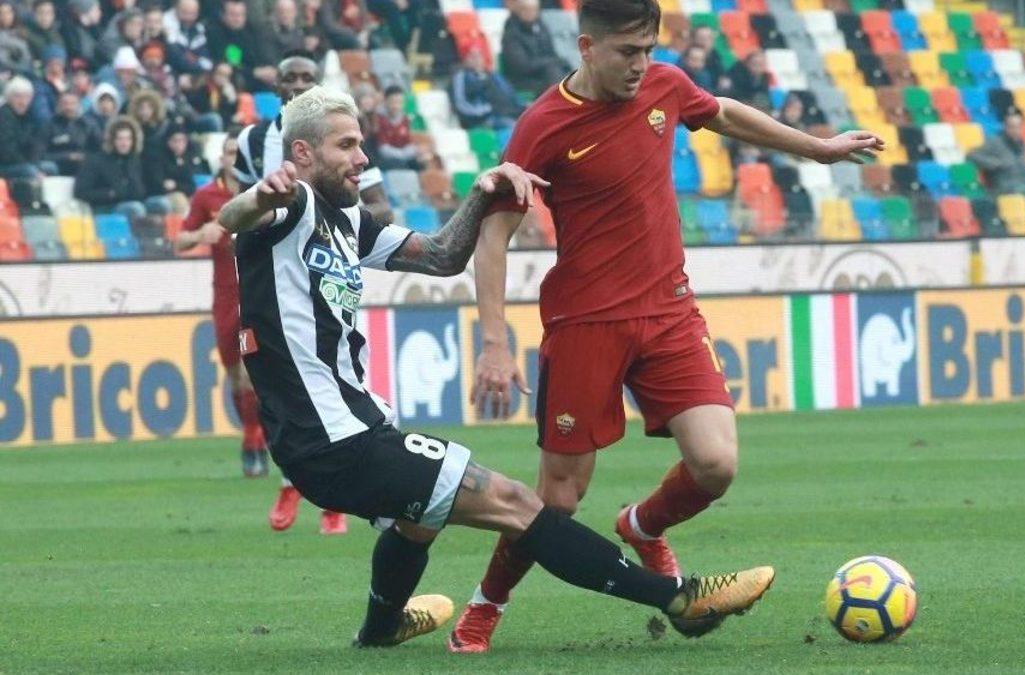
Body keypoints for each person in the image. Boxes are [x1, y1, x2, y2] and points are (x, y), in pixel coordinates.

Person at [217, 84, 775, 647]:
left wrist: (483, 191)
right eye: (346, 145)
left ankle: (381, 630)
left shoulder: (345, 220)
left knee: (419, 518)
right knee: (515, 504)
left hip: (348, 429)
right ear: (303, 153)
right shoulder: (288, 207)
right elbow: (234, 216)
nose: (362, 158)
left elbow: (442, 256)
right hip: (331, 438)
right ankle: (680, 598)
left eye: (360, 144)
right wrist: (260, 194)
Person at [449, 0, 881, 652]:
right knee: (557, 501)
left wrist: (817, 149)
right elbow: (494, 235)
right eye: (628, 52)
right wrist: (492, 342)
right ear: (588, 47)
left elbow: (724, 112)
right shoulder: (543, 124)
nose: (641, 65)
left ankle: (644, 525)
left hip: (669, 309)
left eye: (648, 50)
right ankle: (486, 605)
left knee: (715, 463)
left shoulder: (664, 85)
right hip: (585, 321)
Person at [231, 53, 389, 535]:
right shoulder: (253, 140)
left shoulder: (339, 139)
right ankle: (291, 480)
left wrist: (359, 229)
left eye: (307, 77)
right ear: (276, 87)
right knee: (263, 377)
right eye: (290, 78)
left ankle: (330, 502)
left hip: (324, 267)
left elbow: (374, 199)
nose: (298, 84)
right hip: (271, 271)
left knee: (329, 368)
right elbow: (238, 207)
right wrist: (260, 204)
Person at [176, 134, 269, 477]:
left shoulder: (262, 192)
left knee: (249, 373)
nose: (234, 158)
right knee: (233, 375)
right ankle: (255, 436)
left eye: (239, 153)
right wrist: (201, 234)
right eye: (230, 152)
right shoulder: (206, 196)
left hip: (257, 293)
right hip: (225, 295)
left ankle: (252, 440)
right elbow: (180, 240)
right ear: (222, 157)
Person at [74, 115, 159, 219]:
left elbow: (145, 188)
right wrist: (111, 193)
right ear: (112, 140)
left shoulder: (136, 160)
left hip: (134, 202)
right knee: (135, 208)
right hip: (106, 207)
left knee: (160, 203)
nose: (124, 143)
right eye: (120, 139)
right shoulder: (96, 161)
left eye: (128, 139)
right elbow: (80, 192)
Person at [501, 0, 570, 93]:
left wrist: (557, 62)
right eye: (526, 10)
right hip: (524, 79)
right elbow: (521, 66)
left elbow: (551, 53)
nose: (531, 13)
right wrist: (549, 62)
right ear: (518, 10)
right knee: (553, 71)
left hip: (544, 73)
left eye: (534, 10)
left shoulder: (541, 27)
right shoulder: (511, 33)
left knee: (566, 71)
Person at [450, 47, 526, 130]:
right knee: (514, 127)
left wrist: (523, 107)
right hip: (485, 119)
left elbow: (510, 94)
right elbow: (461, 105)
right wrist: (488, 109)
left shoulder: (493, 75)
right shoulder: (461, 77)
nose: (477, 60)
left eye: (479, 56)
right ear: (465, 59)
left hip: (508, 112)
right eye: (472, 57)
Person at [0, 77, 54, 181]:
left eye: (27, 97)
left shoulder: (28, 116)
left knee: (51, 167)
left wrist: (34, 162)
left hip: (24, 162)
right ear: (8, 98)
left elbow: (35, 144)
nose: (23, 101)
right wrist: (31, 167)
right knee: (30, 171)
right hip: (6, 163)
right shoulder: (3, 116)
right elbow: (7, 151)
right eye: (18, 96)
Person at [967, 112, 1025, 195]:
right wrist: (996, 163)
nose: (1016, 130)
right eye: (1012, 127)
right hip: (1002, 187)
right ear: (1005, 127)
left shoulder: (1021, 144)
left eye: (1018, 127)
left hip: (1024, 185)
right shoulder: (994, 142)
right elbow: (971, 156)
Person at [46, 92, 100, 175]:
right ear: (59, 105)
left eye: (73, 103)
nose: (69, 107)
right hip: (57, 167)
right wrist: (68, 156)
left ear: (78, 105)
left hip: (84, 167)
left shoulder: (89, 125)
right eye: (65, 103)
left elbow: (98, 150)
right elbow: (40, 154)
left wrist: (85, 157)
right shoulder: (49, 125)